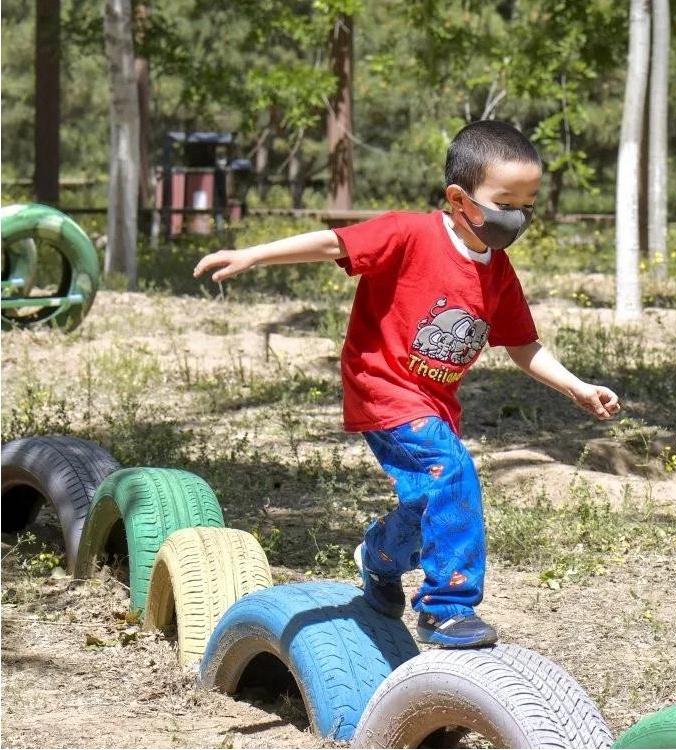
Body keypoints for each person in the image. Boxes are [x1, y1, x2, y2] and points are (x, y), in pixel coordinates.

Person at [193, 120, 621, 648]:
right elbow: (333, 244)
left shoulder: (499, 271)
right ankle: (446, 607)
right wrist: (254, 254)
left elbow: (523, 345)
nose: (518, 217)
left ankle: (378, 556)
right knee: (454, 472)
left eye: (529, 204)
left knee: (427, 510)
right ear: (460, 199)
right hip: (383, 388)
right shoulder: (409, 234)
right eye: (506, 202)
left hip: (435, 405)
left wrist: (575, 387)